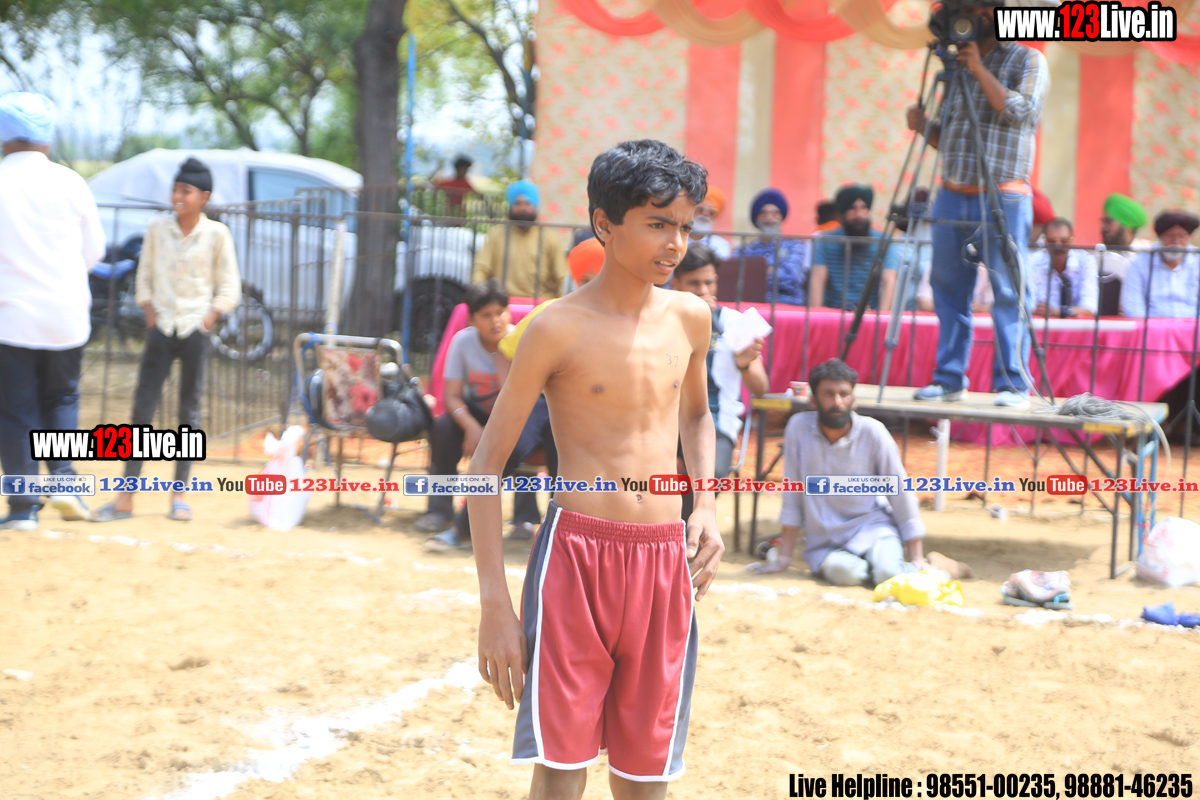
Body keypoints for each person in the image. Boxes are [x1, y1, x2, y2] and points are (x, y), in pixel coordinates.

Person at [467, 139, 723, 798]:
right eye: (658, 224)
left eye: (685, 226)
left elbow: (697, 415)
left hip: (664, 561)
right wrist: (495, 604)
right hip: (575, 560)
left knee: (645, 774)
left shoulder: (692, 318)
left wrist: (705, 504)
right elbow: (485, 466)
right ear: (604, 224)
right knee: (560, 768)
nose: (676, 243)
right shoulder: (555, 328)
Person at [907, 0, 1049, 410]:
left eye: (980, 6)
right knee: (947, 290)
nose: (972, 13)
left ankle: (1013, 385)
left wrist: (979, 69)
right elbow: (950, 138)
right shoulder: (955, 66)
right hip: (952, 193)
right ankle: (949, 378)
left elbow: (1023, 114)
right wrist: (924, 127)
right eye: (965, 6)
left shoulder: (1027, 59)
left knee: (1007, 291)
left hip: (1003, 194)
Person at [94, 157, 241, 523]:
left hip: (194, 329)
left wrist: (209, 318)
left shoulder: (216, 235)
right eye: (175, 189)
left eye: (185, 191)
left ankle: (179, 495)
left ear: (203, 197)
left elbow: (229, 286)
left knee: (189, 413)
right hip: (161, 326)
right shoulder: (158, 228)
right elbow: (143, 274)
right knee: (142, 411)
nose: (178, 197)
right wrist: (149, 312)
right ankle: (126, 496)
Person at [751, 359, 972, 584]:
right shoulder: (798, 429)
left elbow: (900, 493)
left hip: (873, 528)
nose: (837, 402)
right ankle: (883, 568)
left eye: (844, 394)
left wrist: (915, 556)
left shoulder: (873, 432)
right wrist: (784, 558)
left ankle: (938, 567)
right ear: (813, 401)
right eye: (828, 394)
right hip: (826, 540)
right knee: (845, 574)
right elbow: (793, 494)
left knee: (887, 574)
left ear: (853, 400)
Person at [0, 92, 105, 531]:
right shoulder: (71, 182)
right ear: (47, 138)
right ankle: (64, 482)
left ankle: (24, 508)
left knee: (16, 408)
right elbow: (94, 251)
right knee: (62, 397)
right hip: (66, 314)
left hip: (12, 316)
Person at [418, 280, 556, 549]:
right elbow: (451, 396)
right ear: (471, 320)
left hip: (522, 414)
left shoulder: (521, 338)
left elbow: (525, 401)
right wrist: (472, 427)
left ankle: (526, 518)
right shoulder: (463, 342)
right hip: (479, 413)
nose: (495, 321)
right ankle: (440, 511)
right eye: (486, 315)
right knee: (443, 429)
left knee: (521, 436)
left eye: (500, 312)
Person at [672, 244, 769, 480]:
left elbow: (761, 389)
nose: (703, 290)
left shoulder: (733, 322)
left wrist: (745, 364)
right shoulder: (662, 320)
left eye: (709, 282)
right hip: (664, 421)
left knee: (708, 476)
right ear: (676, 284)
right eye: (694, 283)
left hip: (716, 422)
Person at [808, 183, 899, 312]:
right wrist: (817, 316)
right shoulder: (825, 240)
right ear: (843, 212)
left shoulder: (883, 241)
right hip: (833, 314)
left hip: (869, 314)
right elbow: (817, 281)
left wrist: (882, 318)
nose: (859, 214)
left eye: (864, 208)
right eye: (852, 208)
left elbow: (888, 281)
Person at [472, 180, 567, 300]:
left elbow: (561, 277)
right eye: (517, 203)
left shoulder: (550, 237)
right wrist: (480, 299)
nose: (523, 208)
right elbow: (481, 270)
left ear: (535, 206)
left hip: (540, 305)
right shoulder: (496, 234)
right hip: (503, 304)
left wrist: (563, 304)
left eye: (527, 203)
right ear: (510, 206)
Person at [734, 188, 808, 306]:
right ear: (756, 218)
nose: (769, 218)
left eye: (774, 214)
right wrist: (772, 272)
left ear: (781, 217)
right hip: (753, 307)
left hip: (789, 305)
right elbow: (736, 279)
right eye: (763, 214)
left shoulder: (795, 245)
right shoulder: (744, 250)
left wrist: (756, 275)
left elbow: (792, 277)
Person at [1121, 210, 1200, 319]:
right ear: (1159, 237)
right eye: (1169, 236)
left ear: (1189, 237)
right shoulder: (1139, 262)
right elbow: (1133, 305)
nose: (1176, 241)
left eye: (1182, 236)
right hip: (1151, 326)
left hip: (1193, 326)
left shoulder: (1197, 259)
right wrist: (1148, 327)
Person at [1029, 217, 1098, 318]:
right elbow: (1028, 306)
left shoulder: (1086, 261)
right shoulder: (1032, 261)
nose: (1058, 246)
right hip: (1040, 325)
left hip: (1077, 326)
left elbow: (1090, 308)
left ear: (1072, 241)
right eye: (1052, 241)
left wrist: (1059, 312)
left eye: (1064, 241)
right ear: (1045, 242)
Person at [688, 185, 732, 259]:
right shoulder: (678, 239)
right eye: (700, 210)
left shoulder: (720, 245)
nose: (705, 214)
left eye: (711, 212)